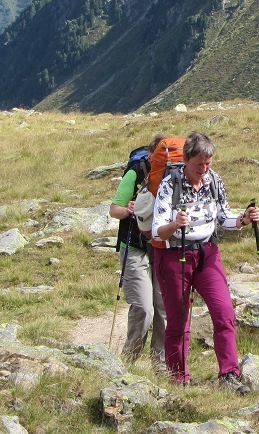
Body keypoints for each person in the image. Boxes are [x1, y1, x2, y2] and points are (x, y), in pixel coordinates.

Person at [151, 131, 259, 390]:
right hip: (174, 255)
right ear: (187, 160)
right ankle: (178, 379)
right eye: (199, 164)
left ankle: (229, 374)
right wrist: (175, 224)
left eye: (208, 163)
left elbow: (224, 219)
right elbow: (157, 230)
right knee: (178, 320)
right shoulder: (170, 184)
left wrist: (244, 219)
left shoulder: (214, 181)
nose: (204, 169)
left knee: (224, 311)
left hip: (207, 252)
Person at [109, 134, 166, 367]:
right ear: (151, 154)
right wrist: (128, 209)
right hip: (134, 248)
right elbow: (114, 210)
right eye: (159, 155)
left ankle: (161, 364)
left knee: (164, 309)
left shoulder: (173, 176)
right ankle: (129, 362)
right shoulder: (135, 172)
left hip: (162, 248)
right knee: (144, 308)